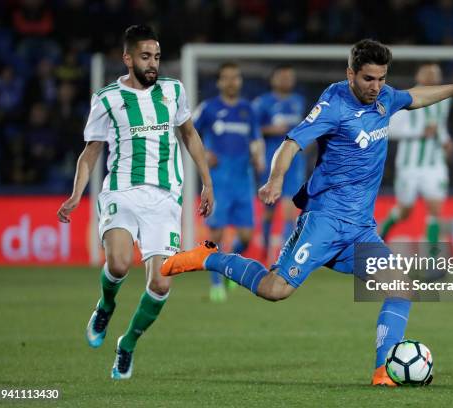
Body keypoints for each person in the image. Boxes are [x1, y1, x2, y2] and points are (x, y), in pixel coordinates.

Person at [162, 39, 453, 386]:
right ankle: (208, 258)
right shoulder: (333, 104)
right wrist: (275, 180)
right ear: (351, 73)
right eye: (369, 79)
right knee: (274, 289)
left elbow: (416, 96)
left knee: (400, 287)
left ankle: (383, 370)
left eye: (382, 78)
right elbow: (291, 143)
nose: (376, 87)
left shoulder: (385, 97)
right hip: (323, 221)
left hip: (360, 229)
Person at [56, 25, 213, 380]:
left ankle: (127, 344)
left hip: (164, 198)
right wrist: (76, 194)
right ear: (128, 59)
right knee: (120, 263)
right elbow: (90, 151)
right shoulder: (108, 98)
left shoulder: (173, 91)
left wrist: (207, 180)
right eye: (145, 57)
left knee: (161, 284)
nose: (153, 63)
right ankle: (106, 306)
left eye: (156, 57)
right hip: (121, 192)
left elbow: (189, 134)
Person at [193, 62, 264, 302]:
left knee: (245, 236)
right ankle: (216, 285)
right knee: (216, 232)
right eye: (227, 78)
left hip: (243, 180)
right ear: (219, 82)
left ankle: (226, 269)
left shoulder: (248, 109)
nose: (232, 82)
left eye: (236, 77)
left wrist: (259, 157)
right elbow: (188, 134)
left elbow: (255, 138)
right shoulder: (209, 108)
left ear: (240, 81)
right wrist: (203, 154)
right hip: (219, 180)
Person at [380, 64, 453, 257]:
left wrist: (446, 141)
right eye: (429, 74)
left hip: (434, 164)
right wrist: (418, 133)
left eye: (436, 74)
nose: (433, 77)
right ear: (419, 76)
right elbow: (388, 131)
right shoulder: (404, 99)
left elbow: (440, 126)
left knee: (435, 209)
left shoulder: (444, 100)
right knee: (405, 211)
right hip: (408, 166)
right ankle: (381, 236)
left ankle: (431, 258)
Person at [252, 65, 306, 261]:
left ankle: (284, 259)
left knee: (290, 211)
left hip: (295, 162)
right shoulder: (262, 103)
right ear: (274, 79)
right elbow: (253, 130)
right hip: (270, 162)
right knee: (269, 211)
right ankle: (265, 254)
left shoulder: (298, 101)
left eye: (290, 77)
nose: (287, 80)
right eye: (282, 77)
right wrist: (270, 130)